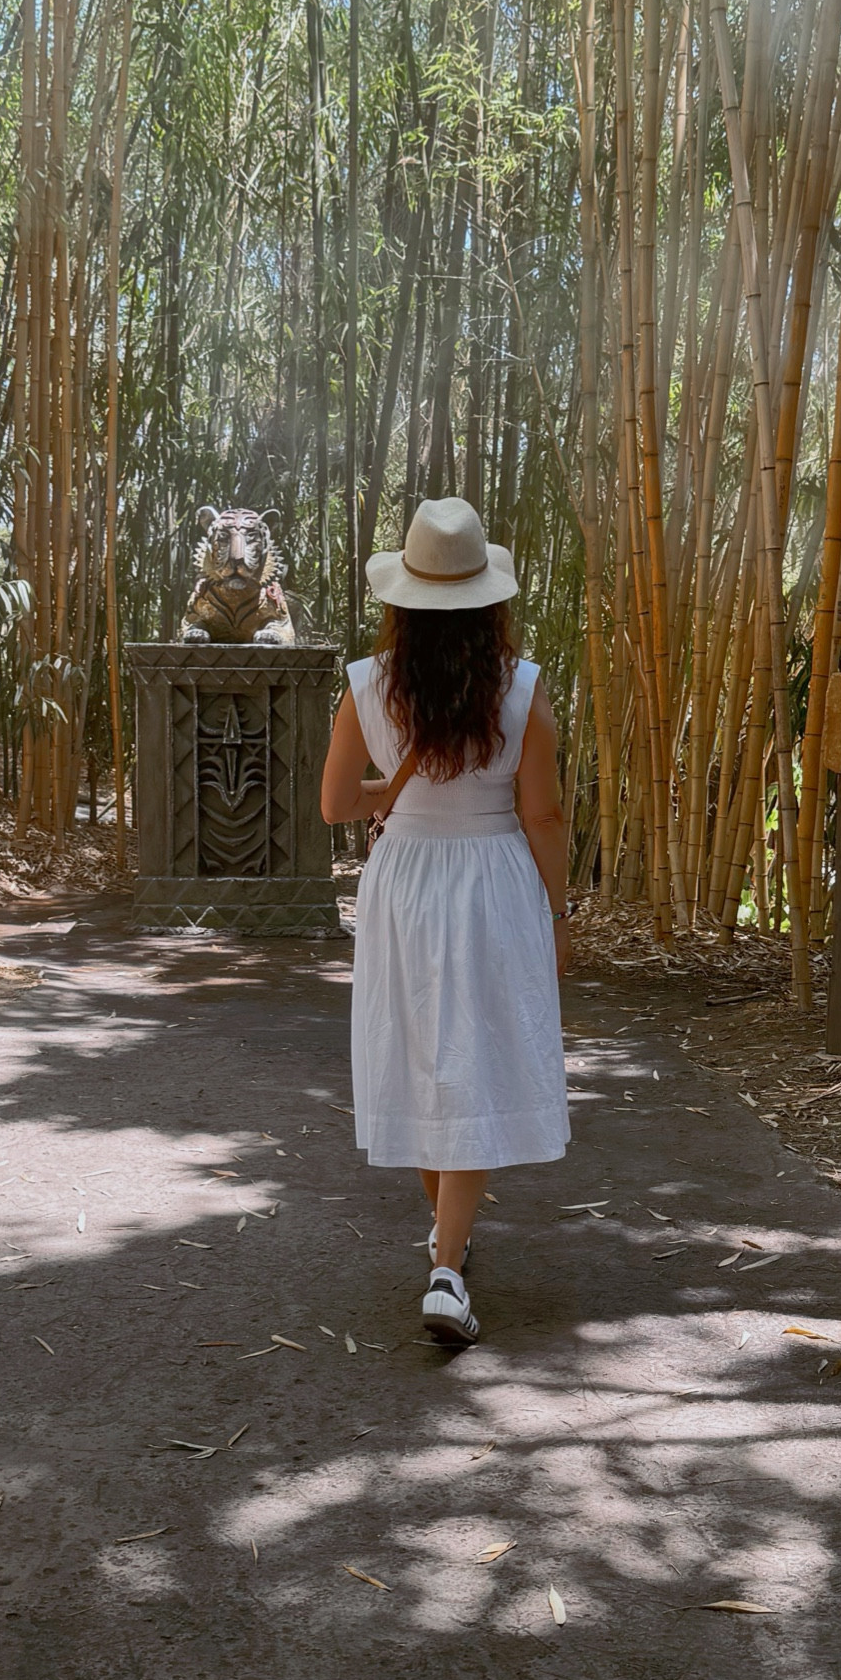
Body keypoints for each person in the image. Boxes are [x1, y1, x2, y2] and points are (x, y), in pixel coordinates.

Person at [320, 497, 571, 1345]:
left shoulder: (365, 687)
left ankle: (447, 1241)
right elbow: (544, 817)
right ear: (489, 601)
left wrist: (395, 791)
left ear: (404, 599)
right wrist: (557, 912)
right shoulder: (524, 690)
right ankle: (447, 1268)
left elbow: (331, 806)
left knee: (426, 1055)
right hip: (493, 877)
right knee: (475, 1060)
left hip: (404, 881)